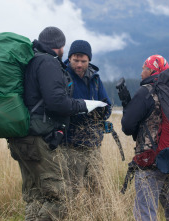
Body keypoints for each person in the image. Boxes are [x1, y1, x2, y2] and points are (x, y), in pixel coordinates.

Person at [7, 27, 107, 221]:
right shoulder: (48, 63)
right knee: (59, 196)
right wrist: (82, 105)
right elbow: (56, 102)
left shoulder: (32, 61)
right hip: (38, 138)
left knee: (35, 197)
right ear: (61, 47)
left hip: (22, 136)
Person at [121, 55, 169, 221]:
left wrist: (128, 109)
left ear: (151, 70)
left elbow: (127, 127)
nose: (141, 72)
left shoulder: (146, 92)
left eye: (143, 68)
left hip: (149, 162)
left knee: (146, 213)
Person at [62, 40, 112, 193]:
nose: (79, 65)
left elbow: (107, 106)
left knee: (97, 189)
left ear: (89, 60)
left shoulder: (95, 79)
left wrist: (101, 113)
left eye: (83, 61)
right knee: (72, 190)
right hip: (70, 145)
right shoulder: (62, 76)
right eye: (75, 60)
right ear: (69, 58)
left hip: (94, 144)